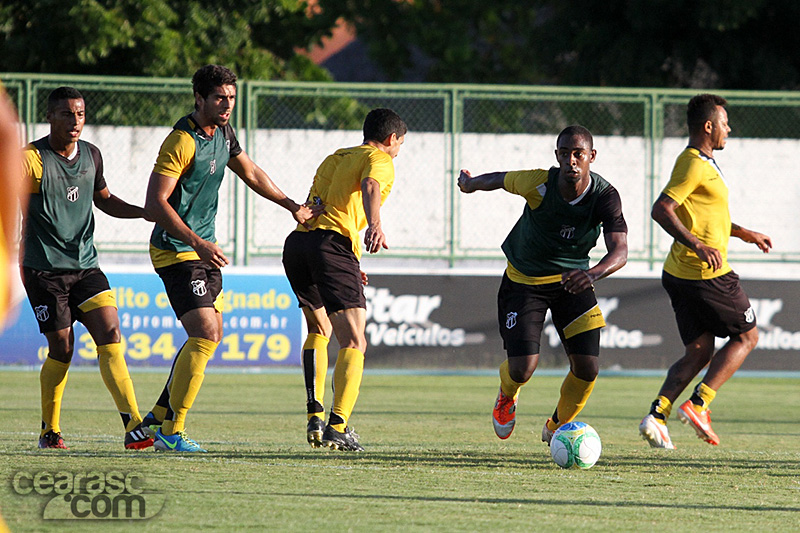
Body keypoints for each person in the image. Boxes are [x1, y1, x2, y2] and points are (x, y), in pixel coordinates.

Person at [140, 65, 320, 453]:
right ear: (199, 99)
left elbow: (251, 172)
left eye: (231, 98)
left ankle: (157, 414)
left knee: (209, 336)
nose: (227, 105)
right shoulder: (181, 141)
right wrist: (197, 242)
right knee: (205, 333)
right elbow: (154, 203)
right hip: (176, 248)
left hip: (205, 249)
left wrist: (291, 205)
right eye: (220, 98)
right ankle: (171, 431)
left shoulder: (223, 134)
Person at [458, 125, 628, 446]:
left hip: (574, 282)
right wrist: (470, 184)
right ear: (557, 156)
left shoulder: (605, 196)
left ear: (591, 157)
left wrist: (591, 275)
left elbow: (620, 251)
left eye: (578, 154)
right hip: (524, 282)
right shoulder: (539, 183)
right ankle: (507, 395)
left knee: (588, 367)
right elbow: (499, 178)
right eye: (565, 154)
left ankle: (556, 427)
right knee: (523, 369)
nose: (571, 161)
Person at [20, 86, 154, 450]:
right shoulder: (31, 159)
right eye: (66, 113)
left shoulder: (92, 155)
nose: (75, 120)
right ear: (49, 116)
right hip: (43, 269)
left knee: (110, 333)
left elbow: (104, 200)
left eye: (79, 114)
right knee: (62, 349)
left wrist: (144, 212)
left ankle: (134, 426)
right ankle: (50, 430)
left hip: (85, 266)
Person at [639, 94, 771, 449]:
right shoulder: (693, 164)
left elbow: (706, 216)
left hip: (680, 275)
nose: (729, 128)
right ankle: (699, 404)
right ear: (708, 126)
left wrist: (743, 233)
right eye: (724, 122)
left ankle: (657, 414)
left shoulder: (703, 163)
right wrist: (697, 245)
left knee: (699, 352)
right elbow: (662, 209)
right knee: (747, 337)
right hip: (706, 274)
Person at [282, 108, 407, 452]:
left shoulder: (335, 157)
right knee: (354, 342)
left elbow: (322, 206)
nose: (398, 151)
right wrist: (376, 225)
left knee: (318, 331)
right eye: (399, 144)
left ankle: (314, 413)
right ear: (391, 139)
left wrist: (348, 262)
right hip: (331, 247)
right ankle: (337, 425)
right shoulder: (379, 159)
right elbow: (369, 186)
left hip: (299, 244)